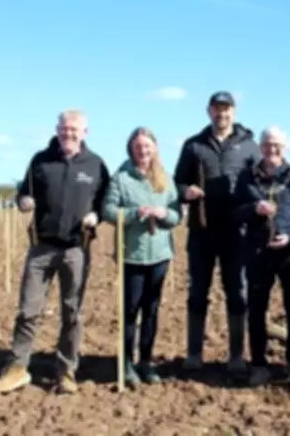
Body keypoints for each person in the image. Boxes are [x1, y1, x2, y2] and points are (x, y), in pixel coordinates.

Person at [0, 109, 110, 394]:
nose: (68, 133)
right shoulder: (40, 160)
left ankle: (66, 371)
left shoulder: (96, 165)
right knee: (28, 311)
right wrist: (24, 202)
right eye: (64, 128)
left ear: (85, 132)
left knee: (72, 313)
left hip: (76, 251)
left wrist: (96, 216)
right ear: (57, 130)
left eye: (74, 129)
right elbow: (23, 194)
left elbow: (105, 202)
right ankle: (17, 368)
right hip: (41, 249)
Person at [173, 91, 261, 375]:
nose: (222, 114)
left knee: (237, 292)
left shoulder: (249, 147)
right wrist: (185, 191)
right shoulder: (193, 146)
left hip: (237, 233)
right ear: (209, 111)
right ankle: (194, 354)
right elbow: (177, 183)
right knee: (198, 291)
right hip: (202, 231)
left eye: (226, 109)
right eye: (217, 109)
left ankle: (236, 356)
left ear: (234, 112)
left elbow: (260, 184)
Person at [233, 126, 290, 386]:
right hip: (257, 253)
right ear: (261, 147)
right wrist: (253, 207)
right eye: (268, 144)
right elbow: (234, 212)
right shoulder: (247, 177)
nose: (272, 149)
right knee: (257, 309)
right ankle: (258, 364)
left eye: (277, 145)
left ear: (284, 148)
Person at [102, 127, 182, 386]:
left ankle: (145, 362)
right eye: (138, 146)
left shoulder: (165, 178)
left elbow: (176, 215)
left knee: (151, 310)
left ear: (154, 148)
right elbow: (108, 211)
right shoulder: (121, 178)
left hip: (160, 255)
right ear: (131, 149)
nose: (143, 150)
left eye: (147, 146)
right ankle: (126, 363)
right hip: (132, 255)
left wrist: (163, 214)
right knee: (130, 310)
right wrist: (134, 213)